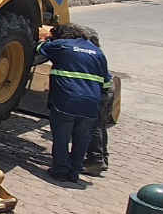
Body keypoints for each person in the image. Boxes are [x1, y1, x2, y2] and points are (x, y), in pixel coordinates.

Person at [36, 24, 111, 184]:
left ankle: (61, 171)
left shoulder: (61, 45)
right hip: (91, 104)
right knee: (82, 138)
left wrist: (43, 37)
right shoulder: (98, 52)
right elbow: (106, 84)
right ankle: (74, 172)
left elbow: (39, 49)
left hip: (66, 101)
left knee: (62, 137)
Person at [84, 28, 116, 175]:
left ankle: (95, 160)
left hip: (102, 92)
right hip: (107, 90)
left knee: (94, 125)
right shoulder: (97, 53)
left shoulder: (89, 54)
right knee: (100, 125)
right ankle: (102, 159)